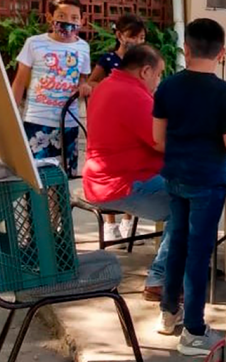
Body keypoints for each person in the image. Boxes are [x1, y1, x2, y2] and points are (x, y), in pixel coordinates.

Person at [153, 18, 226, 357]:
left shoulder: (167, 87)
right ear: (221, 53)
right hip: (207, 181)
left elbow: (157, 138)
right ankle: (193, 330)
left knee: (176, 244)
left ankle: (168, 312)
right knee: (198, 254)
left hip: (175, 176)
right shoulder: (224, 92)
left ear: (185, 50)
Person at [82, 44, 176, 303]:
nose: (158, 81)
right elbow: (162, 142)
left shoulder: (108, 86)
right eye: (158, 74)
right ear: (146, 71)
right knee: (189, 201)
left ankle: (178, 262)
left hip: (107, 178)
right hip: (119, 184)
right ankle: (162, 278)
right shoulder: (131, 93)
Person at [11, 0, 92, 177]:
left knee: (64, 179)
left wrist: (84, 86)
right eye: (61, 16)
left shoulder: (83, 48)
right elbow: (19, 82)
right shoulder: (34, 43)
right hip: (37, 121)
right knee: (35, 178)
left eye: (74, 18)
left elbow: (82, 80)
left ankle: (59, 207)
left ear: (82, 21)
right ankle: (38, 206)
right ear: (50, 17)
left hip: (68, 123)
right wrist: (12, 115)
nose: (68, 22)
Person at [86, 13, 147, 242]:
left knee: (135, 167)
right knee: (115, 167)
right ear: (120, 35)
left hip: (135, 118)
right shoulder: (109, 59)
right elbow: (92, 82)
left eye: (141, 37)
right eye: (133, 36)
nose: (138, 41)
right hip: (113, 119)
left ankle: (128, 223)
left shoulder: (144, 62)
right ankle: (110, 225)